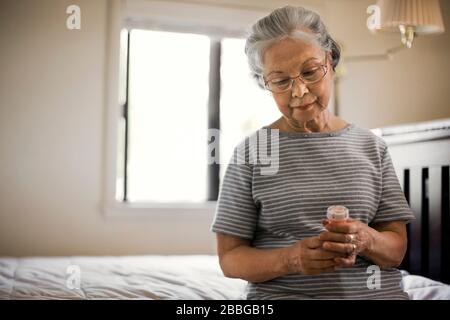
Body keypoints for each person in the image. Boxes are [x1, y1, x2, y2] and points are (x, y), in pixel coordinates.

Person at [210, 5, 415, 299]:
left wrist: (364, 239)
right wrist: (292, 259)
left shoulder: (372, 147)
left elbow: (396, 251)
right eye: (281, 80)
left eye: (310, 71)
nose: (300, 91)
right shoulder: (250, 153)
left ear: (330, 61)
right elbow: (229, 259)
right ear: (264, 82)